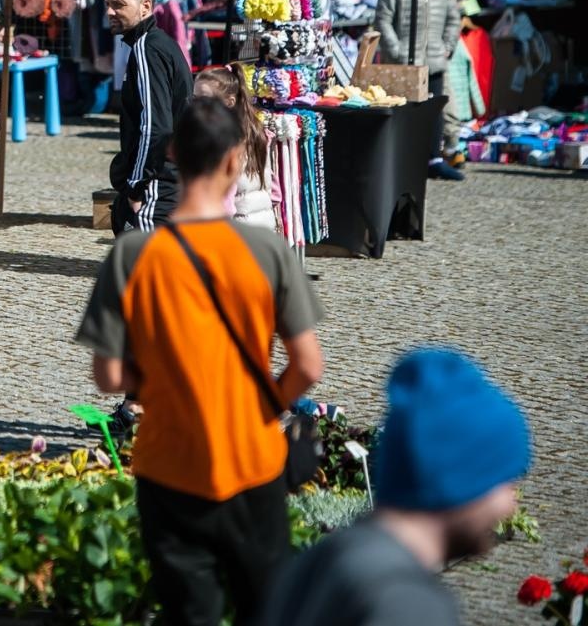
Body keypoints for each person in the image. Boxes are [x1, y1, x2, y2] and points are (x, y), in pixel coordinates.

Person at [77, 97, 325, 626]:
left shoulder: (133, 254)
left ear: (172, 154)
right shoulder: (267, 251)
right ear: (236, 160)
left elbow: (109, 376)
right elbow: (307, 365)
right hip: (252, 462)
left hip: (168, 465)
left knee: (189, 615)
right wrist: (266, 406)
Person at [256, 349, 531, 626]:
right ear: (460, 481)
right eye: (503, 481)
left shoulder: (317, 561)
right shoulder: (405, 603)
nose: (511, 505)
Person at [106, 0, 191, 234]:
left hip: (159, 181)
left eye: (118, 4)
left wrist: (136, 185)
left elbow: (156, 126)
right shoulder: (155, 44)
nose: (109, 12)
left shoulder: (147, 48)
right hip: (169, 177)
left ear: (145, 6)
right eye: (108, 4)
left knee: (149, 270)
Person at [372, 0, 464, 181]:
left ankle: (434, 159)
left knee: (435, 112)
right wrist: (397, 50)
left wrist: (447, 47)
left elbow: (454, 19)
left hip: (433, 62)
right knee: (405, 113)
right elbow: (382, 21)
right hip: (404, 64)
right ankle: (404, 160)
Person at [192, 67, 276, 231]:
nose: (197, 105)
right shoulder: (255, 132)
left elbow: (224, 203)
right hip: (263, 229)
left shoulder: (221, 140)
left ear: (229, 102)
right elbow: (274, 191)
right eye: (195, 98)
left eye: (204, 99)